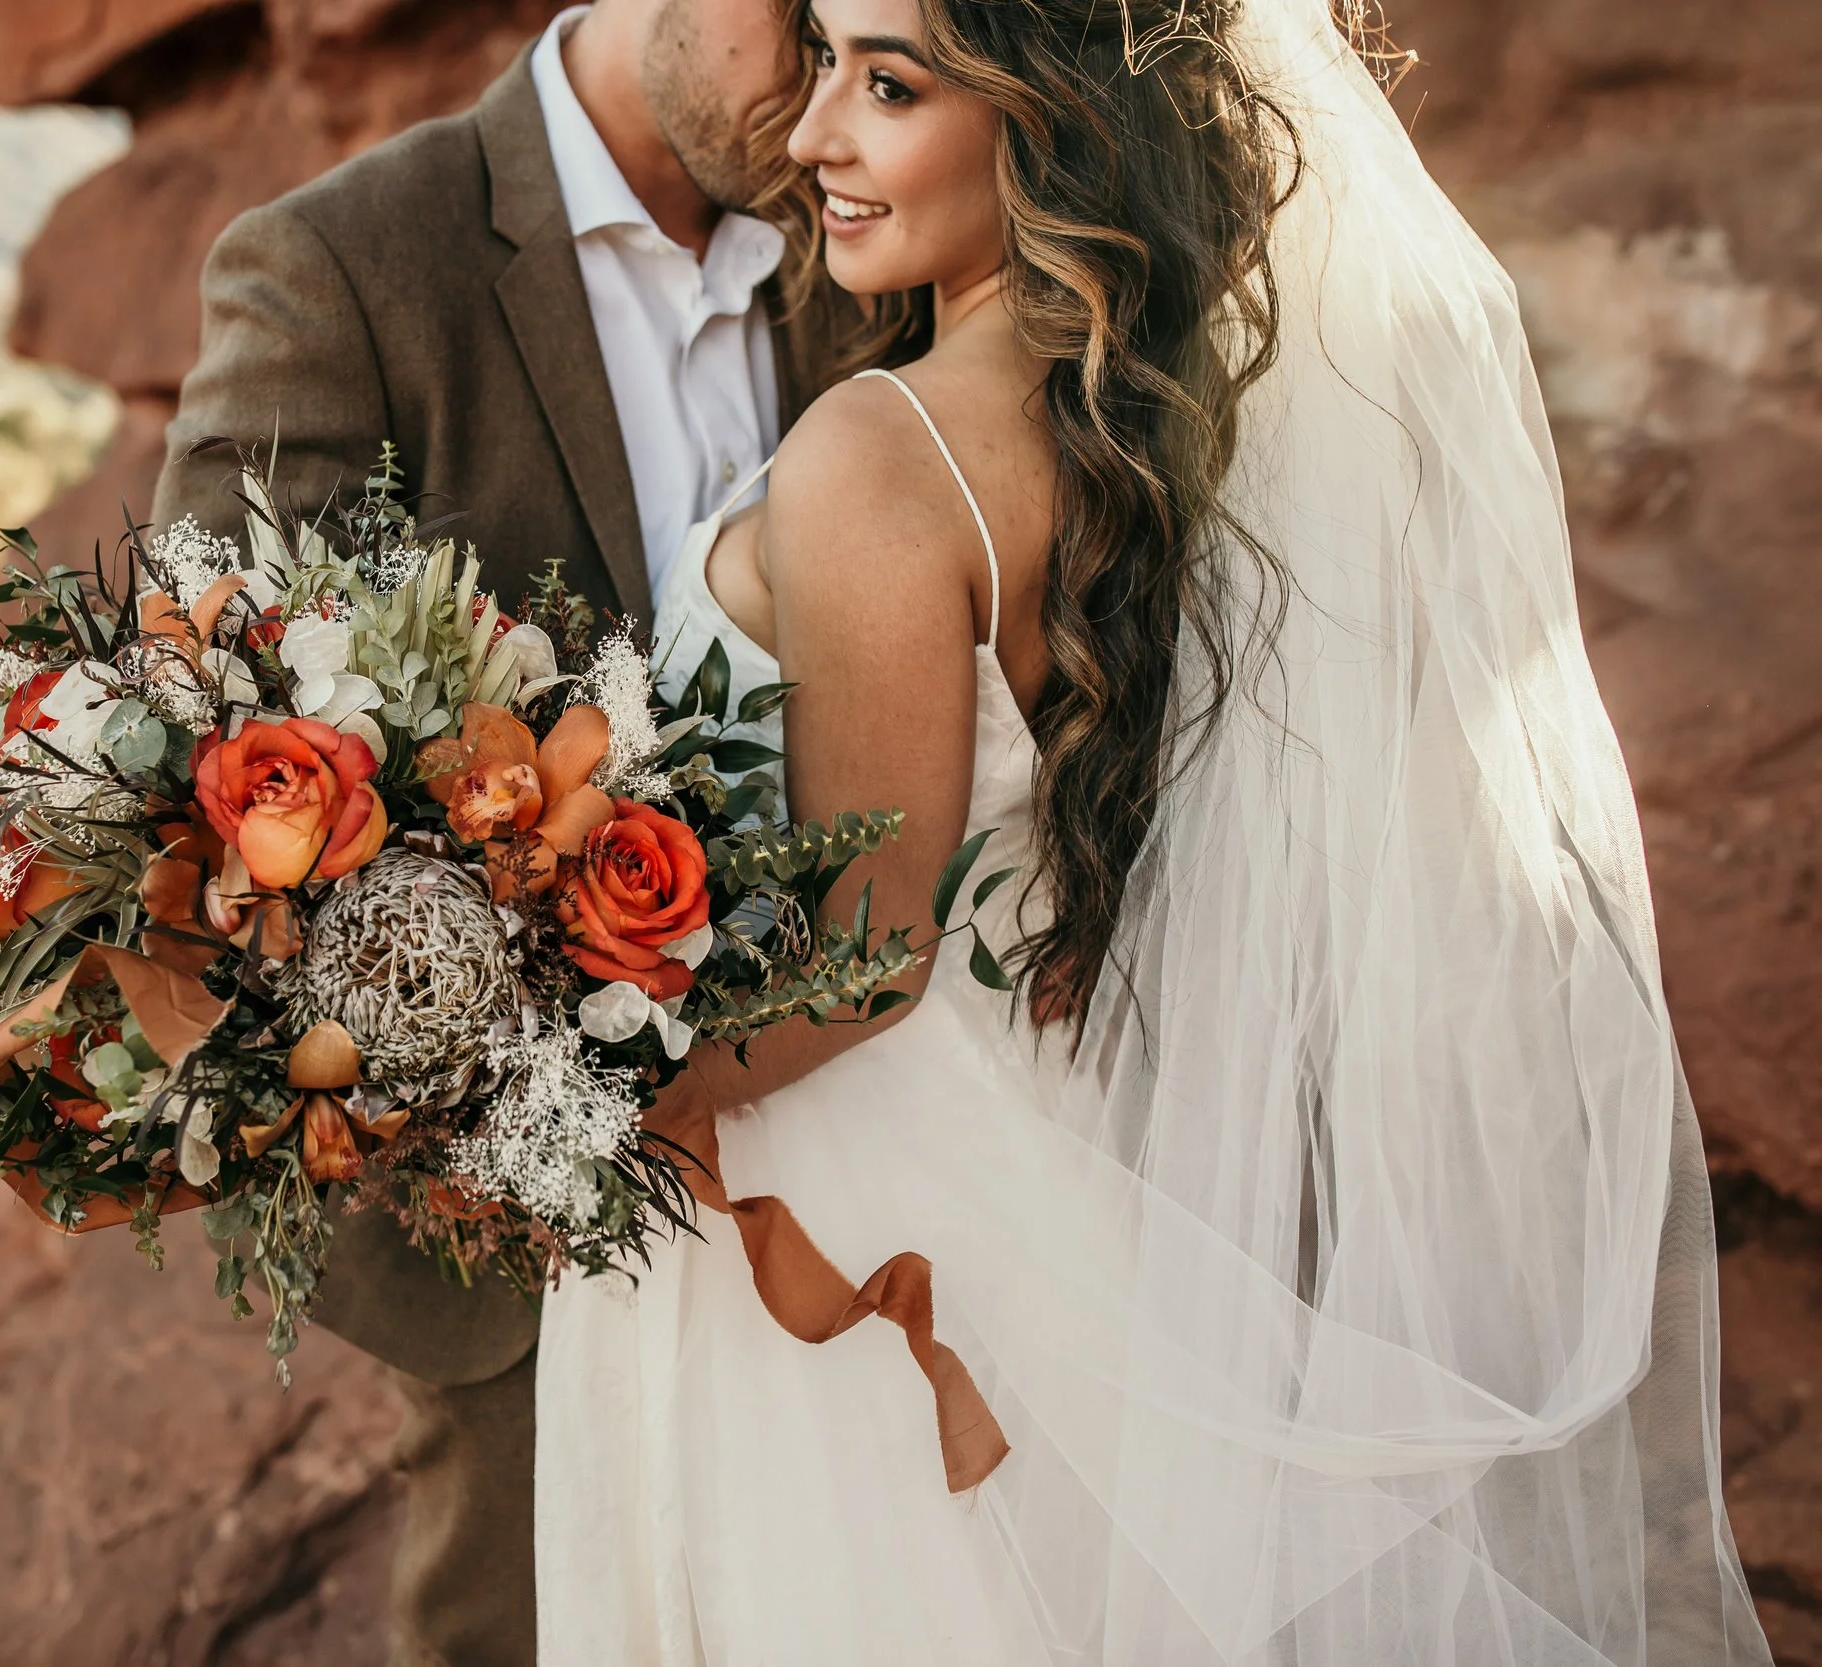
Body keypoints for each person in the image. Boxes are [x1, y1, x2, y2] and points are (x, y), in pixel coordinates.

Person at [534, 0, 1777, 1662]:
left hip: (825, 1220)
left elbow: (867, 958)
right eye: (822, 53)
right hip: (1046, 1172)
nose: (817, 131)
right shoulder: (1142, 425)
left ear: (1046, 120)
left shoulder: (877, 457)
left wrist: (543, 1089)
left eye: (888, 83)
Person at [144, 2, 862, 1660]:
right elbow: (201, 745)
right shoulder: (342, 262)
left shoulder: (855, 225)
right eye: (800, 23)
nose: (831, 89)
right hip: (520, 1233)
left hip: (856, 1145)